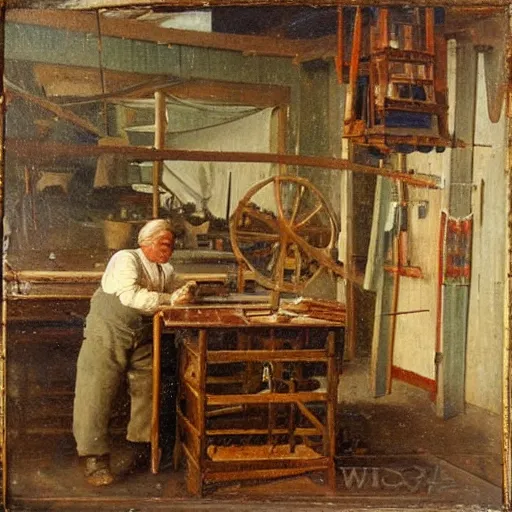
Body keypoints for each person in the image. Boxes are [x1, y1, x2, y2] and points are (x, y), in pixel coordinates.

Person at [73, 218, 196, 486]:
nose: (169, 250)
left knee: (149, 385)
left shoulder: (165, 269)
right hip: (109, 328)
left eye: (172, 246)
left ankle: (141, 448)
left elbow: (176, 286)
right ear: (145, 243)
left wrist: (187, 290)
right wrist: (170, 300)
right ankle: (94, 458)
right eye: (164, 244)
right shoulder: (126, 259)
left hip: (142, 330)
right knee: (97, 389)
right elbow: (131, 297)